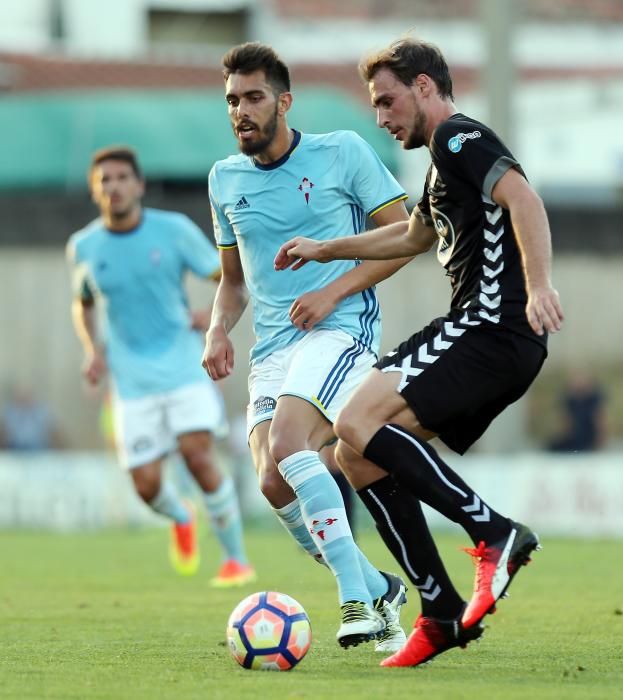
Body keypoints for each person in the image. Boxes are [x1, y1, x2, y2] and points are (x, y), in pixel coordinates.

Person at [275, 37, 564, 667]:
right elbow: (411, 235)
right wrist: (325, 252)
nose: (381, 117)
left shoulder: (460, 138)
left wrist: (539, 284)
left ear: (425, 87)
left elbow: (526, 199)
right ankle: (438, 612)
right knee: (354, 455)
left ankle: (494, 532)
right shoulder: (439, 164)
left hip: (491, 326)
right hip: (494, 338)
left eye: (387, 101)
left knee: (354, 419)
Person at [202, 42, 412, 652]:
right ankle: (379, 588)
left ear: (284, 102)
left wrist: (332, 292)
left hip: (341, 328)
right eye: (232, 100)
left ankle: (354, 599)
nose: (240, 111)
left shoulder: (343, 151)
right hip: (272, 350)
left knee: (291, 444)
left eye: (253, 98)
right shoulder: (224, 179)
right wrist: (218, 328)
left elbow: (403, 236)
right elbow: (235, 282)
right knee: (272, 481)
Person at [67, 145, 255, 587]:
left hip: (183, 369)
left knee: (197, 456)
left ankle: (235, 560)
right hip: (132, 384)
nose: (112, 187)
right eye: (103, 180)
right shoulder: (85, 246)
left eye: (120, 178)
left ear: (138, 185)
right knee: (147, 487)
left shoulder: (173, 231)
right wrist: (92, 349)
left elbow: (228, 277)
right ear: (96, 191)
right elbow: (84, 304)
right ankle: (181, 516)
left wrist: (213, 319)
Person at [548, 371, 607, 452]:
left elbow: (600, 421)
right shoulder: (570, 400)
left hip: (589, 439)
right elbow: (565, 424)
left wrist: (599, 442)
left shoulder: (594, 400)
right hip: (573, 438)